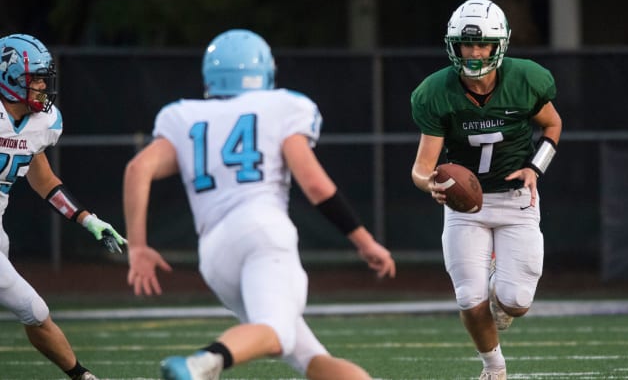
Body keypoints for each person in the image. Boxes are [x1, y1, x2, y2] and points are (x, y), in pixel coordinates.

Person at [123, 28, 396, 380]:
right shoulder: (282, 106)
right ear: (265, 72)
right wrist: (364, 241)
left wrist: (139, 247)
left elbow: (137, 168)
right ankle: (199, 365)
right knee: (277, 333)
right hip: (262, 233)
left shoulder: (185, 116)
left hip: (215, 255)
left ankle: (203, 364)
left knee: (309, 356)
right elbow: (313, 183)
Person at [410, 0, 562, 380]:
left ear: (500, 46)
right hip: (465, 206)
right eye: (466, 44)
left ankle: (501, 295)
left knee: (516, 301)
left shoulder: (526, 79)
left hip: (516, 199)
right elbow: (421, 168)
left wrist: (534, 167)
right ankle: (494, 369)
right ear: (453, 45)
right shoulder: (436, 92)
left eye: (483, 45)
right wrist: (432, 185)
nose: (474, 52)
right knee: (468, 297)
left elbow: (553, 126)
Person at [0, 34, 126, 380]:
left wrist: (89, 221)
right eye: (35, 78)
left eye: (43, 77)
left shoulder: (42, 123)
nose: (42, 86)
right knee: (34, 308)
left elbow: (42, 178)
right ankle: (82, 376)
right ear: (9, 76)